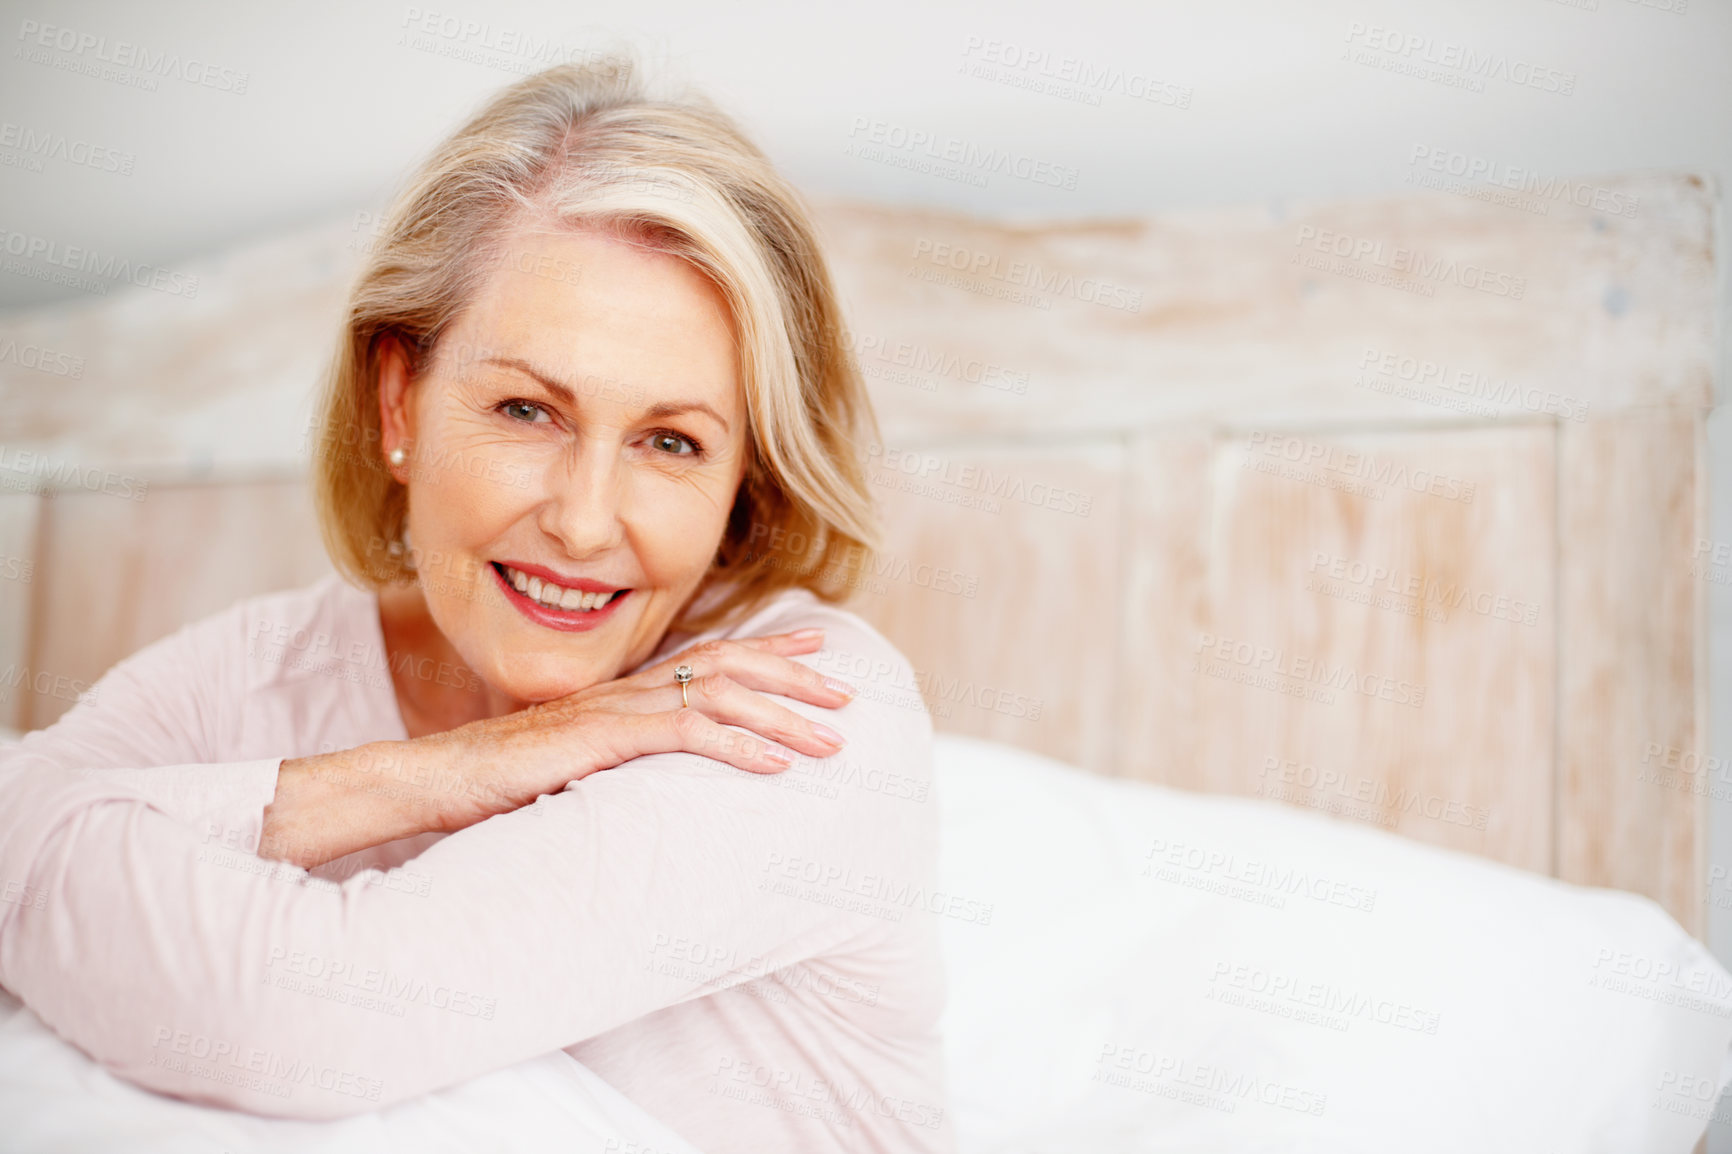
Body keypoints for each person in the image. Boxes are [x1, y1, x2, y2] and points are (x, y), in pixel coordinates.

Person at [0, 55, 951, 1154]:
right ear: (399, 400)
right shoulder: (266, 671)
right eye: (526, 409)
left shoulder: (806, 713)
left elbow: (308, 1014)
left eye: (671, 440)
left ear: (744, 473)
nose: (587, 522)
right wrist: (462, 767)